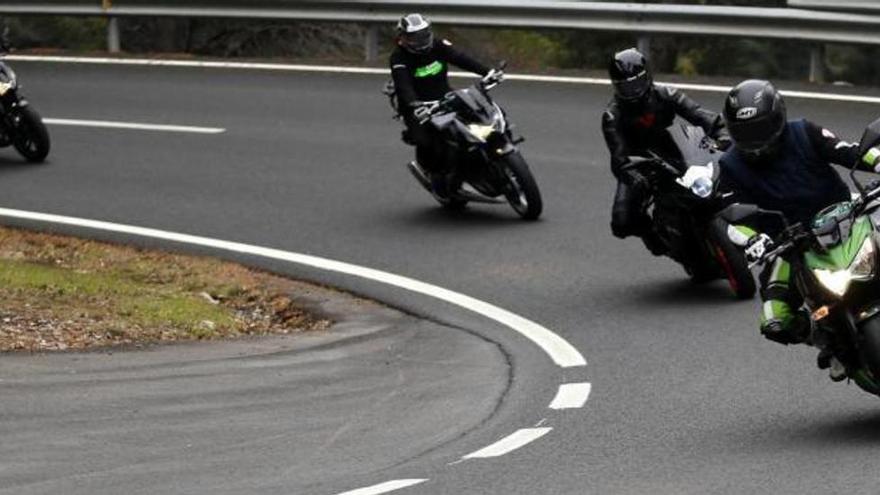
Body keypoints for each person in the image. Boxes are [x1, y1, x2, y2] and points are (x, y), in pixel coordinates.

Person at [720, 79, 880, 379]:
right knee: (774, 320)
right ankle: (827, 340)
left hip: (845, 218)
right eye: (745, 132)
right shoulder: (730, 165)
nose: (755, 140)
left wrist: (878, 161)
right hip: (788, 245)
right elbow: (731, 218)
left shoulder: (804, 131)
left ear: (777, 117)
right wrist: (754, 239)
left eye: (759, 129)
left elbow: (849, 151)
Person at [602, 47, 730, 255]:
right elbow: (618, 159)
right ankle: (653, 235)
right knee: (621, 221)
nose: (633, 90)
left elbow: (699, 114)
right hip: (639, 163)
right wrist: (634, 176)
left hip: (674, 147)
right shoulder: (611, 116)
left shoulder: (667, 94)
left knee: (720, 175)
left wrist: (721, 134)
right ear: (616, 87)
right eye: (626, 86)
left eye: (636, 82)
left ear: (647, 77)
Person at [389, 13, 497, 197]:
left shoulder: (438, 45)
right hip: (418, 106)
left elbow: (460, 58)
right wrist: (415, 105)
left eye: (423, 35)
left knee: (481, 114)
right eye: (414, 37)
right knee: (426, 141)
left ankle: (494, 151)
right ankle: (436, 176)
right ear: (403, 38)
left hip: (445, 96)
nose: (420, 40)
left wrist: (487, 72)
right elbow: (403, 85)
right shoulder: (398, 58)